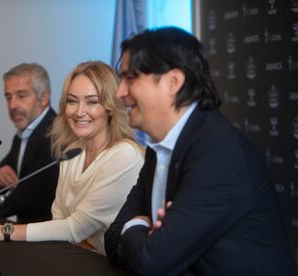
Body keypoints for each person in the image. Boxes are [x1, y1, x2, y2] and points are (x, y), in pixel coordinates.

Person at [104, 27, 296, 275]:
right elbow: (112, 239)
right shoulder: (158, 148)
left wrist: (135, 226)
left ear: (173, 82)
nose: (120, 92)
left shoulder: (219, 153)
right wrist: (146, 234)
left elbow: (152, 262)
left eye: (130, 78)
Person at [0, 61, 144, 255]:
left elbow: (75, 228)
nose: (78, 111)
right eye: (72, 101)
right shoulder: (73, 151)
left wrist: (4, 230)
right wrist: (71, 236)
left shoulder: (124, 155)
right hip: (76, 258)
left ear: (110, 107)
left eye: (92, 101)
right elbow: (59, 220)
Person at [0, 63, 59, 223]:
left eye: (21, 96)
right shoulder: (24, 133)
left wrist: (3, 206)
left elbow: (37, 191)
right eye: (8, 97)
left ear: (44, 98)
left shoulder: (56, 132)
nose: (12, 105)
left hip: (49, 238)